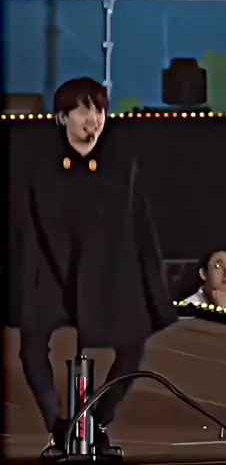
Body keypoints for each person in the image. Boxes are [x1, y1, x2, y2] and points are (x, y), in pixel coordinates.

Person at [8, 77, 178, 459]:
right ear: (62, 117)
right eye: (84, 111)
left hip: (103, 272)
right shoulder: (39, 167)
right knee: (32, 348)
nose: (94, 120)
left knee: (133, 346)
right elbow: (26, 227)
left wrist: (149, 284)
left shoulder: (120, 165)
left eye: (99, 111)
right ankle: (58, 427)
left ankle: (97, 421)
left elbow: (139, 226)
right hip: (51, 272)